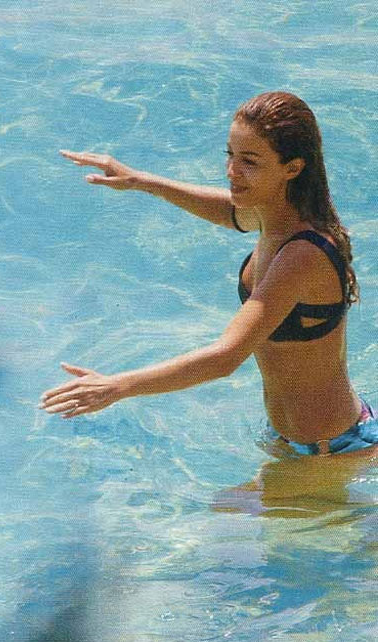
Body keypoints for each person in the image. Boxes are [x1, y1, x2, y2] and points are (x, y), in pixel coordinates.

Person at [41, 91, 378, 459]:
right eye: (230, 154)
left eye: (249, 161)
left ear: (292, 168)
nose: (232, 171)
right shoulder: (271, 215)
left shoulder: (303, 255)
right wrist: (141, 180)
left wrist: (116, 387)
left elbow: (225, 357)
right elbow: (227, 212)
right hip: (296, 440)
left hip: (331, 449)